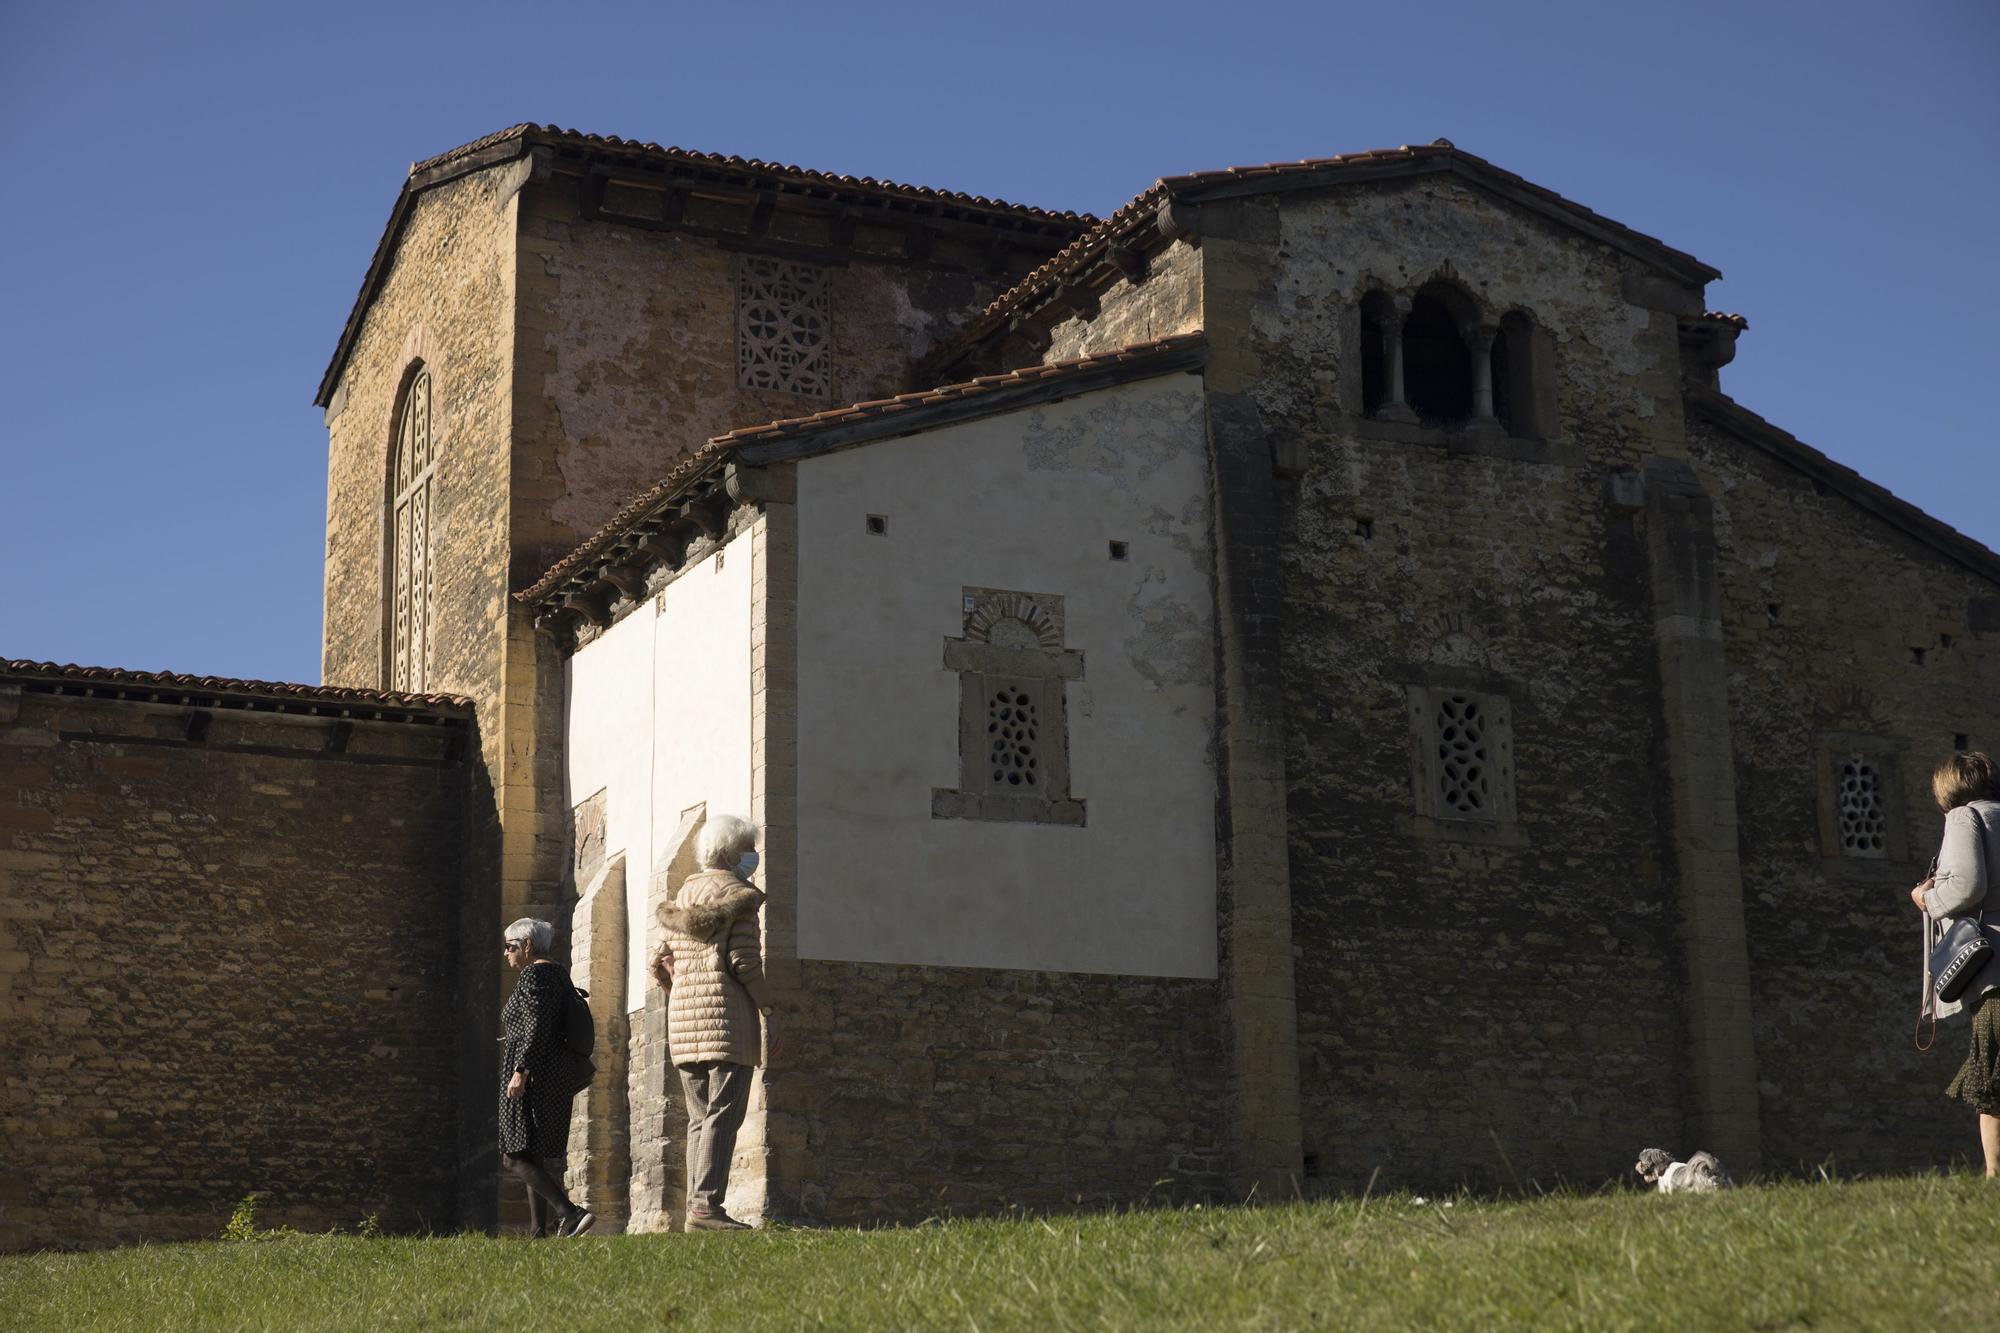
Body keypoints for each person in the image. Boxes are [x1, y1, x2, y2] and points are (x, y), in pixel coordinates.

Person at [651, 814, 771, 1230]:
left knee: (701, 1117)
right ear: (731, 853)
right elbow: (744, 962)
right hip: (726, 1021)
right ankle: (706, 1207)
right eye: (748, 850)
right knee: (724, 1113)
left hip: (683, 1026)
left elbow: (659, 959)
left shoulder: (683, 896)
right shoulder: (740, 897)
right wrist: (771, 1007)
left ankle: (696, 1210)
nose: (752, 857)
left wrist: (679, 989)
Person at [1911, 751, 2000, 1178]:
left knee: (1992, 1081)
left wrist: (1927, 899)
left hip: (1995, 972)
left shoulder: (1964, 817)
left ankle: (1993, 1177)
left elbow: (1968, 884)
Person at [499, 917, 596, 1236]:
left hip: (534, 1072)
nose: (506, 954)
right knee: (531, 1154)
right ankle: (538, 1232)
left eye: (510, 947)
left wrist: (521, 1070)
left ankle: (569, 1213)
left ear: (527, 946)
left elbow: (537, 1026)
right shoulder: (557, 974)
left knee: (512, 1157)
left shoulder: (534, 974)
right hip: (552, 1070)